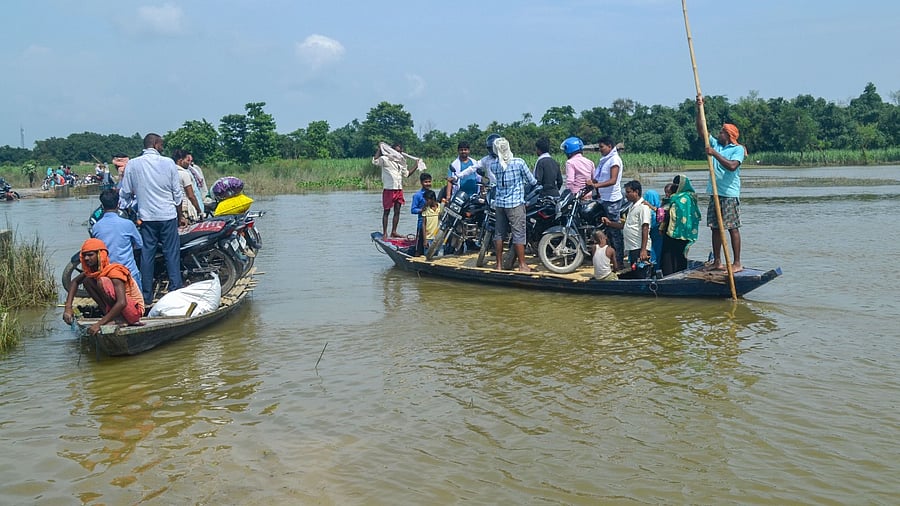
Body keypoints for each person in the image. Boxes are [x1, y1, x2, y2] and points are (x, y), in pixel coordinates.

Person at [119, 133, 185, 303]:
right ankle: (175, 291)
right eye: (161, 144)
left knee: (147, 254)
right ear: (155, 144)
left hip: (146, 218)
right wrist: (180, 215)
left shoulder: (133, 164)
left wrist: (131, 210)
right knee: (171, 253)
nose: (162, 147)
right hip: (167, 215)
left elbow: (125, 193)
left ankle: (146, 296)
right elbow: (177, 194)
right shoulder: (168, 163)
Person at [696, 95, 746, 272]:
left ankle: (737, 263)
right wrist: (699, 108)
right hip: (715, 193)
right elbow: (701, 130)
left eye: (722, 132)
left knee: (732, 227)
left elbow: (732, 166)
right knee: (715, 228)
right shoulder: (716, 144)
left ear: (729, 136)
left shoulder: (737, 149)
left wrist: (714, 154)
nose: (719, 133)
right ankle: (717, 261)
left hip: (729, 194)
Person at [62, 238, 144, 335]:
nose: (86, 258)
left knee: (102, 282)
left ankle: (118, 319)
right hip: (120, 309)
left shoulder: (114, 271)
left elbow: (122, 302)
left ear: (100, 255)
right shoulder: (93, 272)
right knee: (87, 280)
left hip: (134, 312)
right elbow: (75, 282)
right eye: (84, 255)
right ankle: (110, 316)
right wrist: (68, 308)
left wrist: (99, 324)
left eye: (90, 255)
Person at [490, 137, 537, 272]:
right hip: (515, 204)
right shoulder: (519, 162)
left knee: (499, 234)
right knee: (518, 233)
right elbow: (531, 181)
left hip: (499, 204)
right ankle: (522, 265)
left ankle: (498, 265)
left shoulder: (494, 165)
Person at [91, 189, 144, 289]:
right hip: (129, 272)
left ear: (102, 205)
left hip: (107, 273)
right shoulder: (128, 224)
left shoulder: (96, 227)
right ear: (118, 204)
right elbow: (139, 244)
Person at [602, 180, 652, 278]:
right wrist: (609, 223)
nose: (626, 195)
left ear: (636, 192)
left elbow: (645, 228)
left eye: (628, 192)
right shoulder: (632, 207)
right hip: (632, 247)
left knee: (641, 273)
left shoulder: (643, 207)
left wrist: (643, 250)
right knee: (636, 272)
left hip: (639, 248)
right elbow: (626, 226)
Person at [590, 136, 625, 263]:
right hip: (603, 198)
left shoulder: (614, 160)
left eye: (602, 147)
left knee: (614, 231)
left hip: (612, 200)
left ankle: (619, 260)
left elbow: (613, 180)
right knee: (605, 229)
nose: (600, 149)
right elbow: (598, 178)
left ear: (609, 146)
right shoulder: (604, 160)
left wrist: (596, 185)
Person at [659, 174, 701, 276]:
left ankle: (673, 274)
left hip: (678, 231)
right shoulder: (685, 197)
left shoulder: (682, 198)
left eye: (677, 185)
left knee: (674, 254)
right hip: (678, 231)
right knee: (673, 255)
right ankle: (673, 274)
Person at [373, 141, 410, 238]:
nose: (399, 153)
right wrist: (380, 148)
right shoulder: (385, 159)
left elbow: (407, 174)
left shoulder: (401, 162)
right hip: (389, 189)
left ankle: (394, 231)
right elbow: (375, 161)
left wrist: (417, 164)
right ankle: (385, 232)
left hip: (398, 188)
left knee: (397, 210)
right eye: (397, 151)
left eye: (400, 151)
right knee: (387, 211)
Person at [173, 149, 203, 222]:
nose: (189, 163)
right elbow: (191, 196)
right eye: (187, 160)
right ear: (180, 160)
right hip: (185, 210)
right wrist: (199, 211)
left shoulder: (170, 173)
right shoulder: (184, 174)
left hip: (174, 210)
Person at [409, 172, 433, 255]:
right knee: (419, 248)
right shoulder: (417, 195)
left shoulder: (432, 194)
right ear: (421, 183)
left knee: (431, 247)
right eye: (426, 182)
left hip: (432, 226)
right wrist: (421, 210)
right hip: (421, 224)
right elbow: (413, 210)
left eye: (429, 182)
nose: (428, 184)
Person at [641, 189, 663, 267]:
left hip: (648, 237)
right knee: (657, 252)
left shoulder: (645, 211)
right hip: (658, 236)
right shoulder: (660, 211)